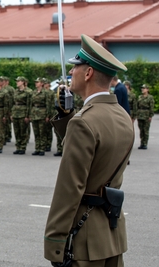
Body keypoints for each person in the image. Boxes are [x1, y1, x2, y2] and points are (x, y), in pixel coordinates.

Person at [44, 34, 134, 267]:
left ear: (88, 73)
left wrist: (55, 242)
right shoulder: (122, 115)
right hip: (111, 230)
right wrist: (67, 118)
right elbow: (99, 157)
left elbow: (70, 188)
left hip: (85, 239)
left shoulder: (83, 121)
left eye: (75, 67)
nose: (70, 72)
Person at [30, 77, 51, 156]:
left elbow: (48, 104)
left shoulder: (46, 92)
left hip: (42, 113)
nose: (36, 83)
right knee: (36, 132)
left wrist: (47, 115)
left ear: (42, 83)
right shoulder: (34, 92)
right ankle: (37, 148)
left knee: (42, 132)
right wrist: (30, 114)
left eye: (37, 82)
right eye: (35, 82)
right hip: (35, 113)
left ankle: (42, 148)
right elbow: (31, 104)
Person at [11, 76, 31, 154]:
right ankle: (18, 146)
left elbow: (29, 104)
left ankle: (23, 147)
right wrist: (12, 113)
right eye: (17, 81)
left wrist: (27, 115)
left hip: (23, 113)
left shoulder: (28, 92)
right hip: (15, 112)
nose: (17, 82)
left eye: (18, 81)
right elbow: (13, 103)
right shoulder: (16, 91)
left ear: (23, 82)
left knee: (23, 131)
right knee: (17, 131)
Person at [136, 84, 155, 149]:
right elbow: (137, 106)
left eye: (144, 88)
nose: (142, 89)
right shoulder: (140, 97)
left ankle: (145, 143)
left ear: (147, 89)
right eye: (142, 88)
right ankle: (142, 143)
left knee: (145, 130)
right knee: (141, 130)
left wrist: (150, 116)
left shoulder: (150, 97)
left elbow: (151, 107)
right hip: (140, 114)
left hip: (146, 114)